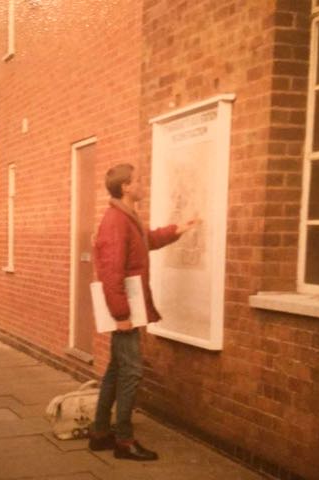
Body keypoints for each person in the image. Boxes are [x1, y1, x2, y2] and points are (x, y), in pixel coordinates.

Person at [88, 162, 199, 461]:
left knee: (116, 370)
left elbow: (145, 241)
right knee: (133, 371)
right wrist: (121, 315)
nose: (142, 184)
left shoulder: (127, 217)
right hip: (125, 310)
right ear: (125, 187)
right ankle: (123, 440)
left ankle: (100, 433)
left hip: (128, 307)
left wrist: (177, 230)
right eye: (138, 180)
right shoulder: (115, 221)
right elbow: (111, 272)